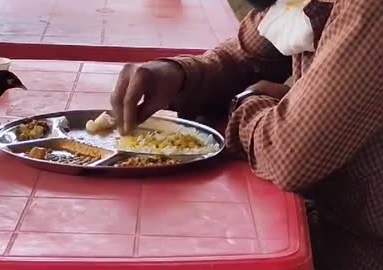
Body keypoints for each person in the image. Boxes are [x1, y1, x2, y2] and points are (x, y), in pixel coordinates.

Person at [110, 0, 382, 269]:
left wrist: (244, 104)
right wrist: (181, 74)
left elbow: (287, 153)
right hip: (320, 222)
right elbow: (246, 55)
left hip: (356, 249)